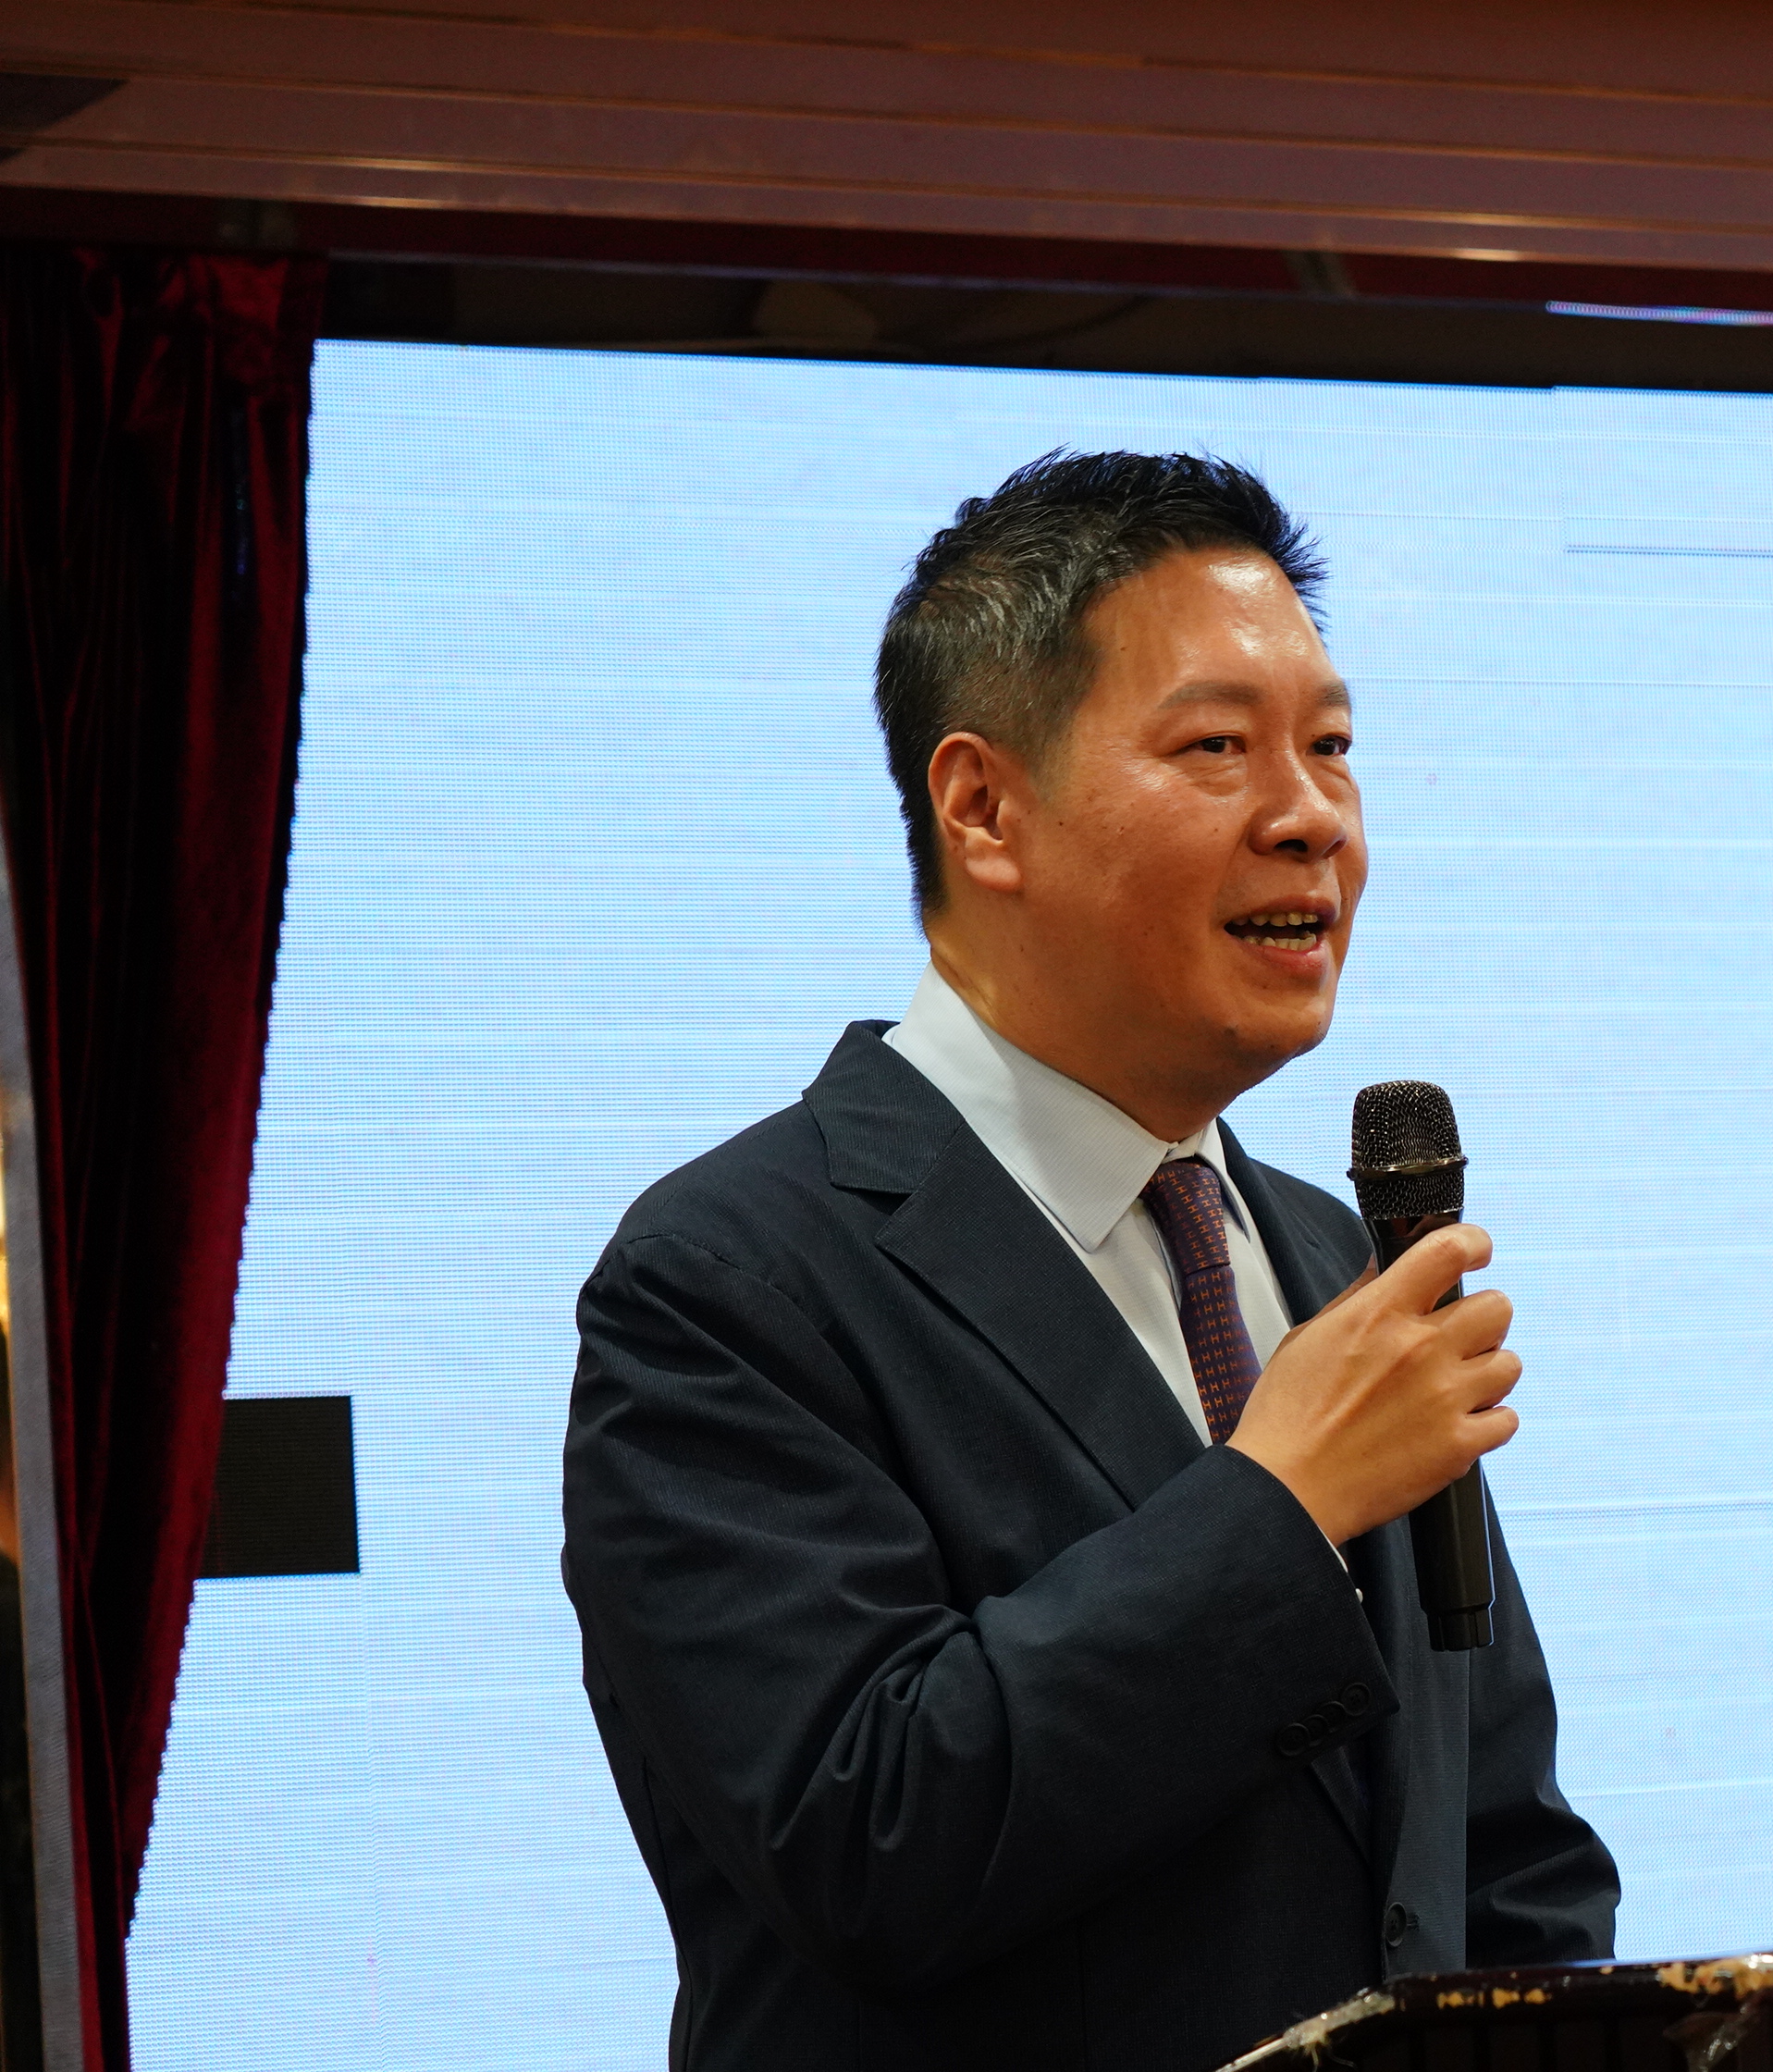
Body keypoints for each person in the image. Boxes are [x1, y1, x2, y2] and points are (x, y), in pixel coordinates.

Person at [561, 451, 1618, 2071]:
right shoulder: (724, 1278)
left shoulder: (1339, 1255)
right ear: (983, 809)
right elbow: (866, 1839)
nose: (1311, 816)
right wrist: (1278, 1505)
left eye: (1332, 747)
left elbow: (1499, 1849)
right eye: (1218, 748)